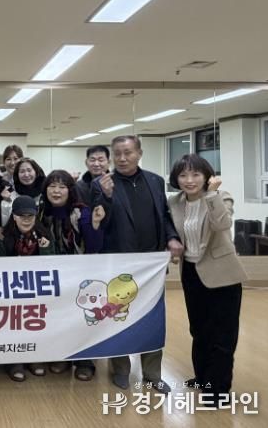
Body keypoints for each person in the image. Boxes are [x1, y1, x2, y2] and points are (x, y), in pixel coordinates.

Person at [92, 135, 183, 393]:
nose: (122, 158)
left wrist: (172, 237)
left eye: (128, 152)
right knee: (118, 316)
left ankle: (153, 374)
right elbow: (99, 226)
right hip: (119, 263)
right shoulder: (101, 184)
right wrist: (106, 197)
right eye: (117, 153)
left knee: (152, 318)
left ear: (139, 153)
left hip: (151, 265)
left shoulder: (155, 181)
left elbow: (164, 216)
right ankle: (121, 369)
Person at [167, 154, 247, 404]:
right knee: (199, 330)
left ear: (207, 177)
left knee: (223, 334)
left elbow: (222, 224)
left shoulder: (221, 197)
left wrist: (211, 195)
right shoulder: (175, 201)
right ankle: (204, 378)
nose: (189, 180)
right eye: (183, 175)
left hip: (222, 274)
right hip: (191, 272)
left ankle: (218, 390)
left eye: (195, 174)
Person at [34, 170, 106, 380]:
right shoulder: (40, 212)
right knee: (57, 319)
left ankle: (85, 361)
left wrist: (94, 225)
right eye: (52, 186)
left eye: (62, 186)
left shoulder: (81, 212)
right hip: (51, 278)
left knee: (81, 319)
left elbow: (93, 246)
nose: (56, 191)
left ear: (70, 190)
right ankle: (62, 357)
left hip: (78, 276)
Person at [0, 195, 52, 382]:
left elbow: (55, 267)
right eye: (22, 216)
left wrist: (46, 249)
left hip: (37, 293)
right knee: (12, 324)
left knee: (35, 324)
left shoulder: (45, 236)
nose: (26, 220)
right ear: (14, 216)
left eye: (30, 216)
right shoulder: (3, 236)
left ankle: (34, 357)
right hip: (10, 292)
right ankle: (14, 361)